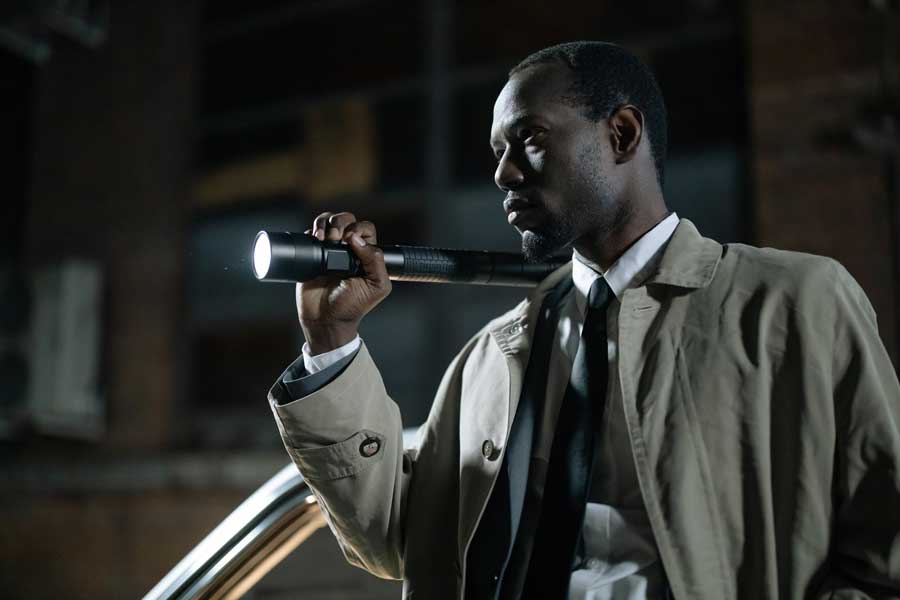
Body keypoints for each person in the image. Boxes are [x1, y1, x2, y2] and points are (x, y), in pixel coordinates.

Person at [267, 42, 900, 599]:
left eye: (531, 138)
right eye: (497, 152)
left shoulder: (791, 304)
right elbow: (395, 541)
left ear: (622, 134)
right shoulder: (490, 359)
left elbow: (886, 553)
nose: (503, 173)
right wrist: (331, 338)